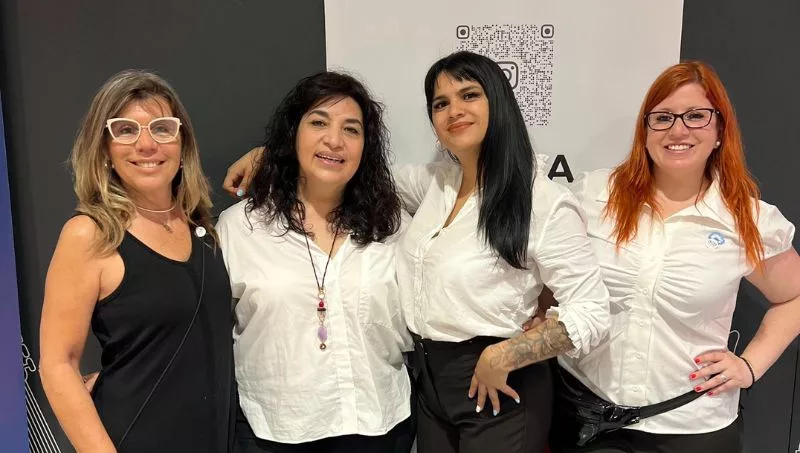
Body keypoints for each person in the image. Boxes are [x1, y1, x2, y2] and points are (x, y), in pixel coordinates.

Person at [223, 51, 611, 453]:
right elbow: (346, 164)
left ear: (499, 102)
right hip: (429, 386)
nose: (454, 111)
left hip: (498, 379)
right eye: (440, 103)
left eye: (469, 95)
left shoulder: (542, 201)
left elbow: (593, 312)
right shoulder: (435, 185)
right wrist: (273, 154)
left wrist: (507, 355)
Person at [545, 61, 800, 452]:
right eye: (663, 118)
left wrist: (749, 366)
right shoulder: (593, 195)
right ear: (645, 132)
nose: (678, 130)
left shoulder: (748, 220)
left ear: (720, 131)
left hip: (692, 427)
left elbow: (794, 297)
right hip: (586, 419)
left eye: (696, 116)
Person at [215, 72, 414, 453]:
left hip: (379, 426)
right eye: (319, 122)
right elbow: (205, 332)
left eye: (351, 129)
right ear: (293, 133)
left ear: (366, 145)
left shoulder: (393, 226)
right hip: (272, 432)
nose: (334, 140)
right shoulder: (241, 228)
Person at [39, 70, 235, 453]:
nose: (146, 144)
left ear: (182, 144)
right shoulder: (90, 234)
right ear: (104, 148)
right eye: (125, 130)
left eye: (162, 129)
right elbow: (58, 364)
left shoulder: (202, 228)